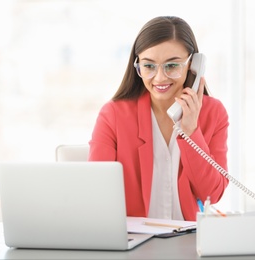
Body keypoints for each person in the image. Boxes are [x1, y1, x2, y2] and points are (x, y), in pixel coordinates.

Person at [88, 16, 229, 221]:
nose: (160, 78)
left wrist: (191, 132)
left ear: (193, 65)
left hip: (189, 242)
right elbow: (95, 193)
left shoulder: (213, 113)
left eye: (172, 65)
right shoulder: (113, 115)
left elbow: (212, 194)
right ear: (137, 66)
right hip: (134, 241)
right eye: (149, 66)